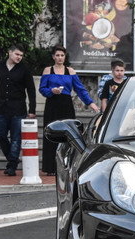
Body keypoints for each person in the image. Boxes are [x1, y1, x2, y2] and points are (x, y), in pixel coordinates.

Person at [39, 45, 99, 175]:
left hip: (66, 103)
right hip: (52, 103)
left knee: (68, 133)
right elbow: (42, 89)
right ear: (53, 57)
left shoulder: (70, 71)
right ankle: (50, 167)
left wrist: (91, 104)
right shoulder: (48, 70)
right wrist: (51, 91)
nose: (60, 58)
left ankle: (67, 164)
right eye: (57, 55)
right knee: (51, 133)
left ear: (64, 57)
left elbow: (80, 89)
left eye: (62, 55)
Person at [0, 43, 37, 176]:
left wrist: (32, 109)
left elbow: (31, 89)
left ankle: (12, 165)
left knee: (16, 138)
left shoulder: (24, 69)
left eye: (21, 55)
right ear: (10, 52)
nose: (19, 57)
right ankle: (12, 159)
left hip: (18, 109)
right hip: (1, 107)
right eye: (17, 54)